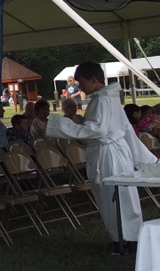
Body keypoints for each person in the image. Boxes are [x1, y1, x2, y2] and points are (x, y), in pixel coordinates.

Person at [47, 61, 157, 254]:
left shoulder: (103, 100)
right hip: (113, 152)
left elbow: (96, 130)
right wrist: (144, 157)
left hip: (109, 155)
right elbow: (126, 131)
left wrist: (60, 125)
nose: (80, 87)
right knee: (120, 197)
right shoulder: (109, 98)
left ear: (93, 80)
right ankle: (126, 238)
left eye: (82, 83)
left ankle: (125, 240)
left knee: (114, 197)